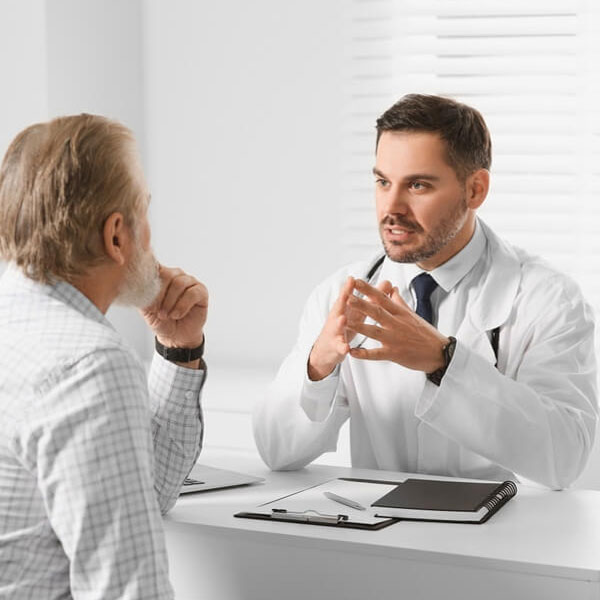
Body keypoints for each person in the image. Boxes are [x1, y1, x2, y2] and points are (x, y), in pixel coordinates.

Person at [253, 94, 598, 490]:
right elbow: (276, 451)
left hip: (497, 542)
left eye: (417, 185)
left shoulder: (547, 300)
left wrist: (444, 361)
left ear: (475, 190)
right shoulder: (340, 293)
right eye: (383, 181)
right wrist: (320, 364)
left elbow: (565, 457)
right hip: (377, 540)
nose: (392, 207)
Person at [0, 114, 208, 598]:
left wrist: (179, 351)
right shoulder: (90, 362)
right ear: (117, 236)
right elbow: (128, 590)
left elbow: (144, 492)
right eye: (145, 212)